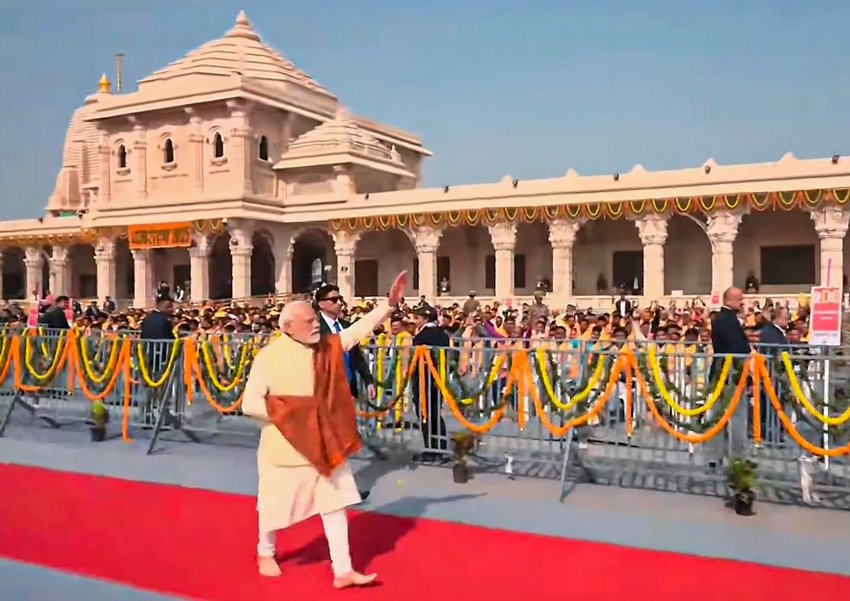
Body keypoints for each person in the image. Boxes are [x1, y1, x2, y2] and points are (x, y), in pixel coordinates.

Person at [241, 270, 407, 586]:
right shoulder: (268, 357)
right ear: (288, 328)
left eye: (315, 319)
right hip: (285, 447)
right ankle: (266, 551)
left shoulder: (324, 348)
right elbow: (249, 403)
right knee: (274, 507)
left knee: (335, 505)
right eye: (308, 321)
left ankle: (342, 570)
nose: (316, 323)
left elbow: (356, 332)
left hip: (324, 442)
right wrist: (291, 416)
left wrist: (387, 306)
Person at [315, 284, 375, 400]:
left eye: (340, 299)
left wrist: (368, 381)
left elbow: (357, 357)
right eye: (334, 300)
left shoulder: (346, 326)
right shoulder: (315, 328)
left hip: (349, 390)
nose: (339, 303)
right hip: (326, 392)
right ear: (321, 304)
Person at [411, 304, 450, 460]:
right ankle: (440, 447)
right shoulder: (443, 334)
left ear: (426, 318)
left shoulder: (422, 336)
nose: (415, 321)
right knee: (436, 414)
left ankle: (431, 448)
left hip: (424, 380)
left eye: (417, 318)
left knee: (425, 414)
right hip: (438, 380)